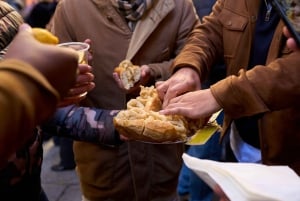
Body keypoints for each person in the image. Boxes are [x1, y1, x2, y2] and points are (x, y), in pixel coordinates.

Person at [46, 0, 200, 200]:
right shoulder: (71, 8)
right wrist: (70, 74)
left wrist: (152, 72)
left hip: (162, 166)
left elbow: (193, 61)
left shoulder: (179, 6)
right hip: (104, 170)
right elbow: (50, 86)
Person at [157, 0, 300, 181]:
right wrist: (189, 67)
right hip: (240, 146)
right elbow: (211, 30)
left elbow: (292, 71)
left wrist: (220, 95)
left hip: (289, 163)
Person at [176, 1, 225, 201]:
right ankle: (193, 193)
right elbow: (207, 34)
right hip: (213, 91)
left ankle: (184, 187)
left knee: (199, 145)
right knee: (205, 148)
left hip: (213, 88)